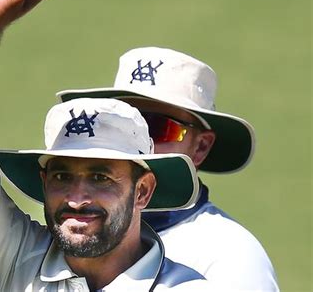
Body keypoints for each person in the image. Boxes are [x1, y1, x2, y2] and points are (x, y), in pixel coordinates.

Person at [0, 0, 223, 291]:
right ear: (43, 180)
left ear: (142, 190)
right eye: (62, 175)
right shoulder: (16, 261)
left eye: (101, 176)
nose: (77, 198)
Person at [57, 47, 279, 290]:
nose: (137, 140)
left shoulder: (231, 255)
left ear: (201, 147)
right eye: (124, 124)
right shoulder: (73, 225)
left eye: (158, 127)